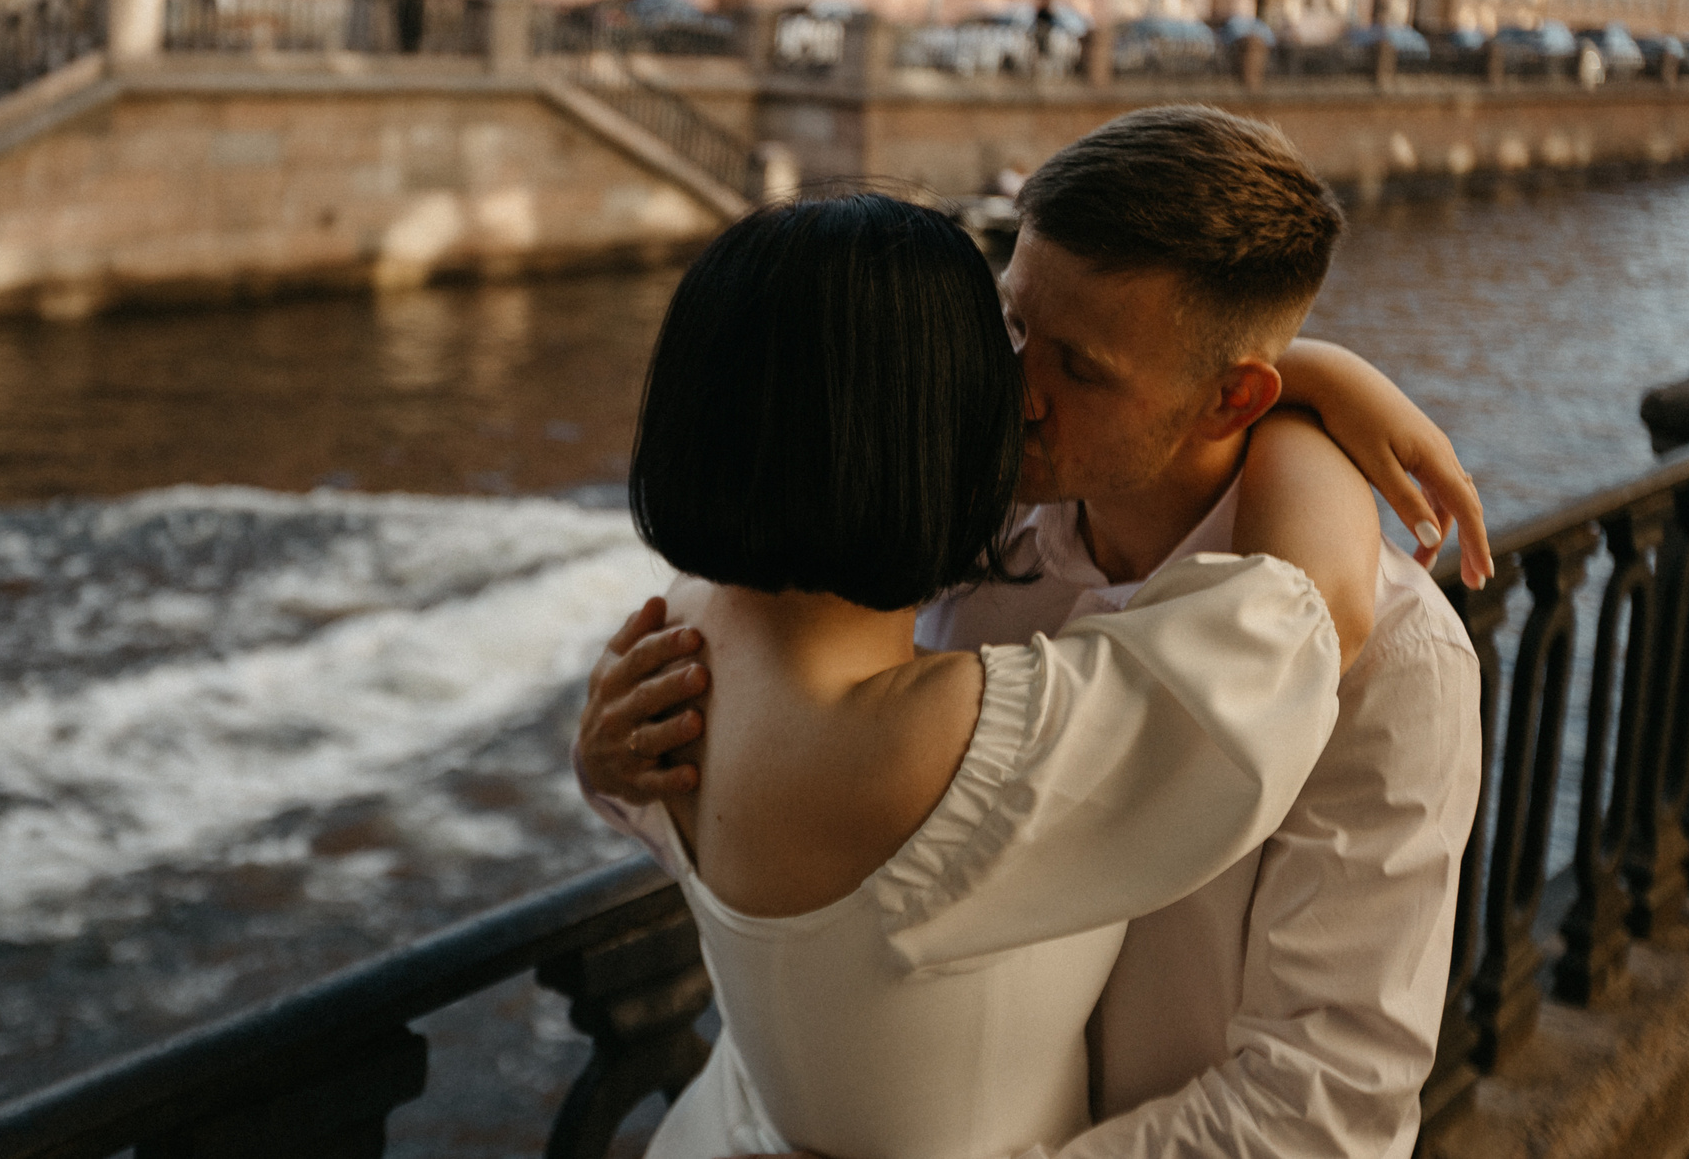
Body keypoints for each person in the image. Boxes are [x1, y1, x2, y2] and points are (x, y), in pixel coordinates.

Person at [582, 107, 1488, 1159]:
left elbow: (1319, 1110)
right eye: (1010, 325)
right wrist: (616, 762)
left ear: (1232, 396)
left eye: (1079, 368)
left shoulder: (1396, 663)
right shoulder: (939, 511)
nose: (1012, 390)